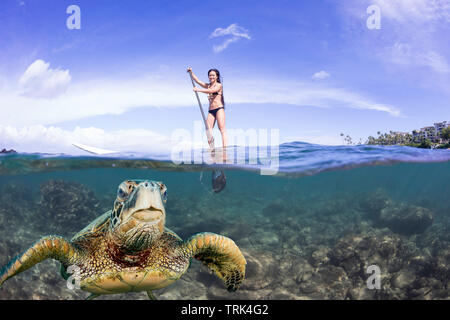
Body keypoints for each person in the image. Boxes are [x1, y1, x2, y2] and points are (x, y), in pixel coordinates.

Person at [187, 67, 227, 161]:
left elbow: (211, 91)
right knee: (208, 130)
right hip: (211, 111)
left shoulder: (219, 85)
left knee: (222, 129)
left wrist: (199, 90)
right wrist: (191, 72)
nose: (211, 77)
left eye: (213, 75)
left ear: (217, 76)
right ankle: (212, 151)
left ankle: (225, 152)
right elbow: (197, 81)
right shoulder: (208, 85)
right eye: (210, 75)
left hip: (219, 109)